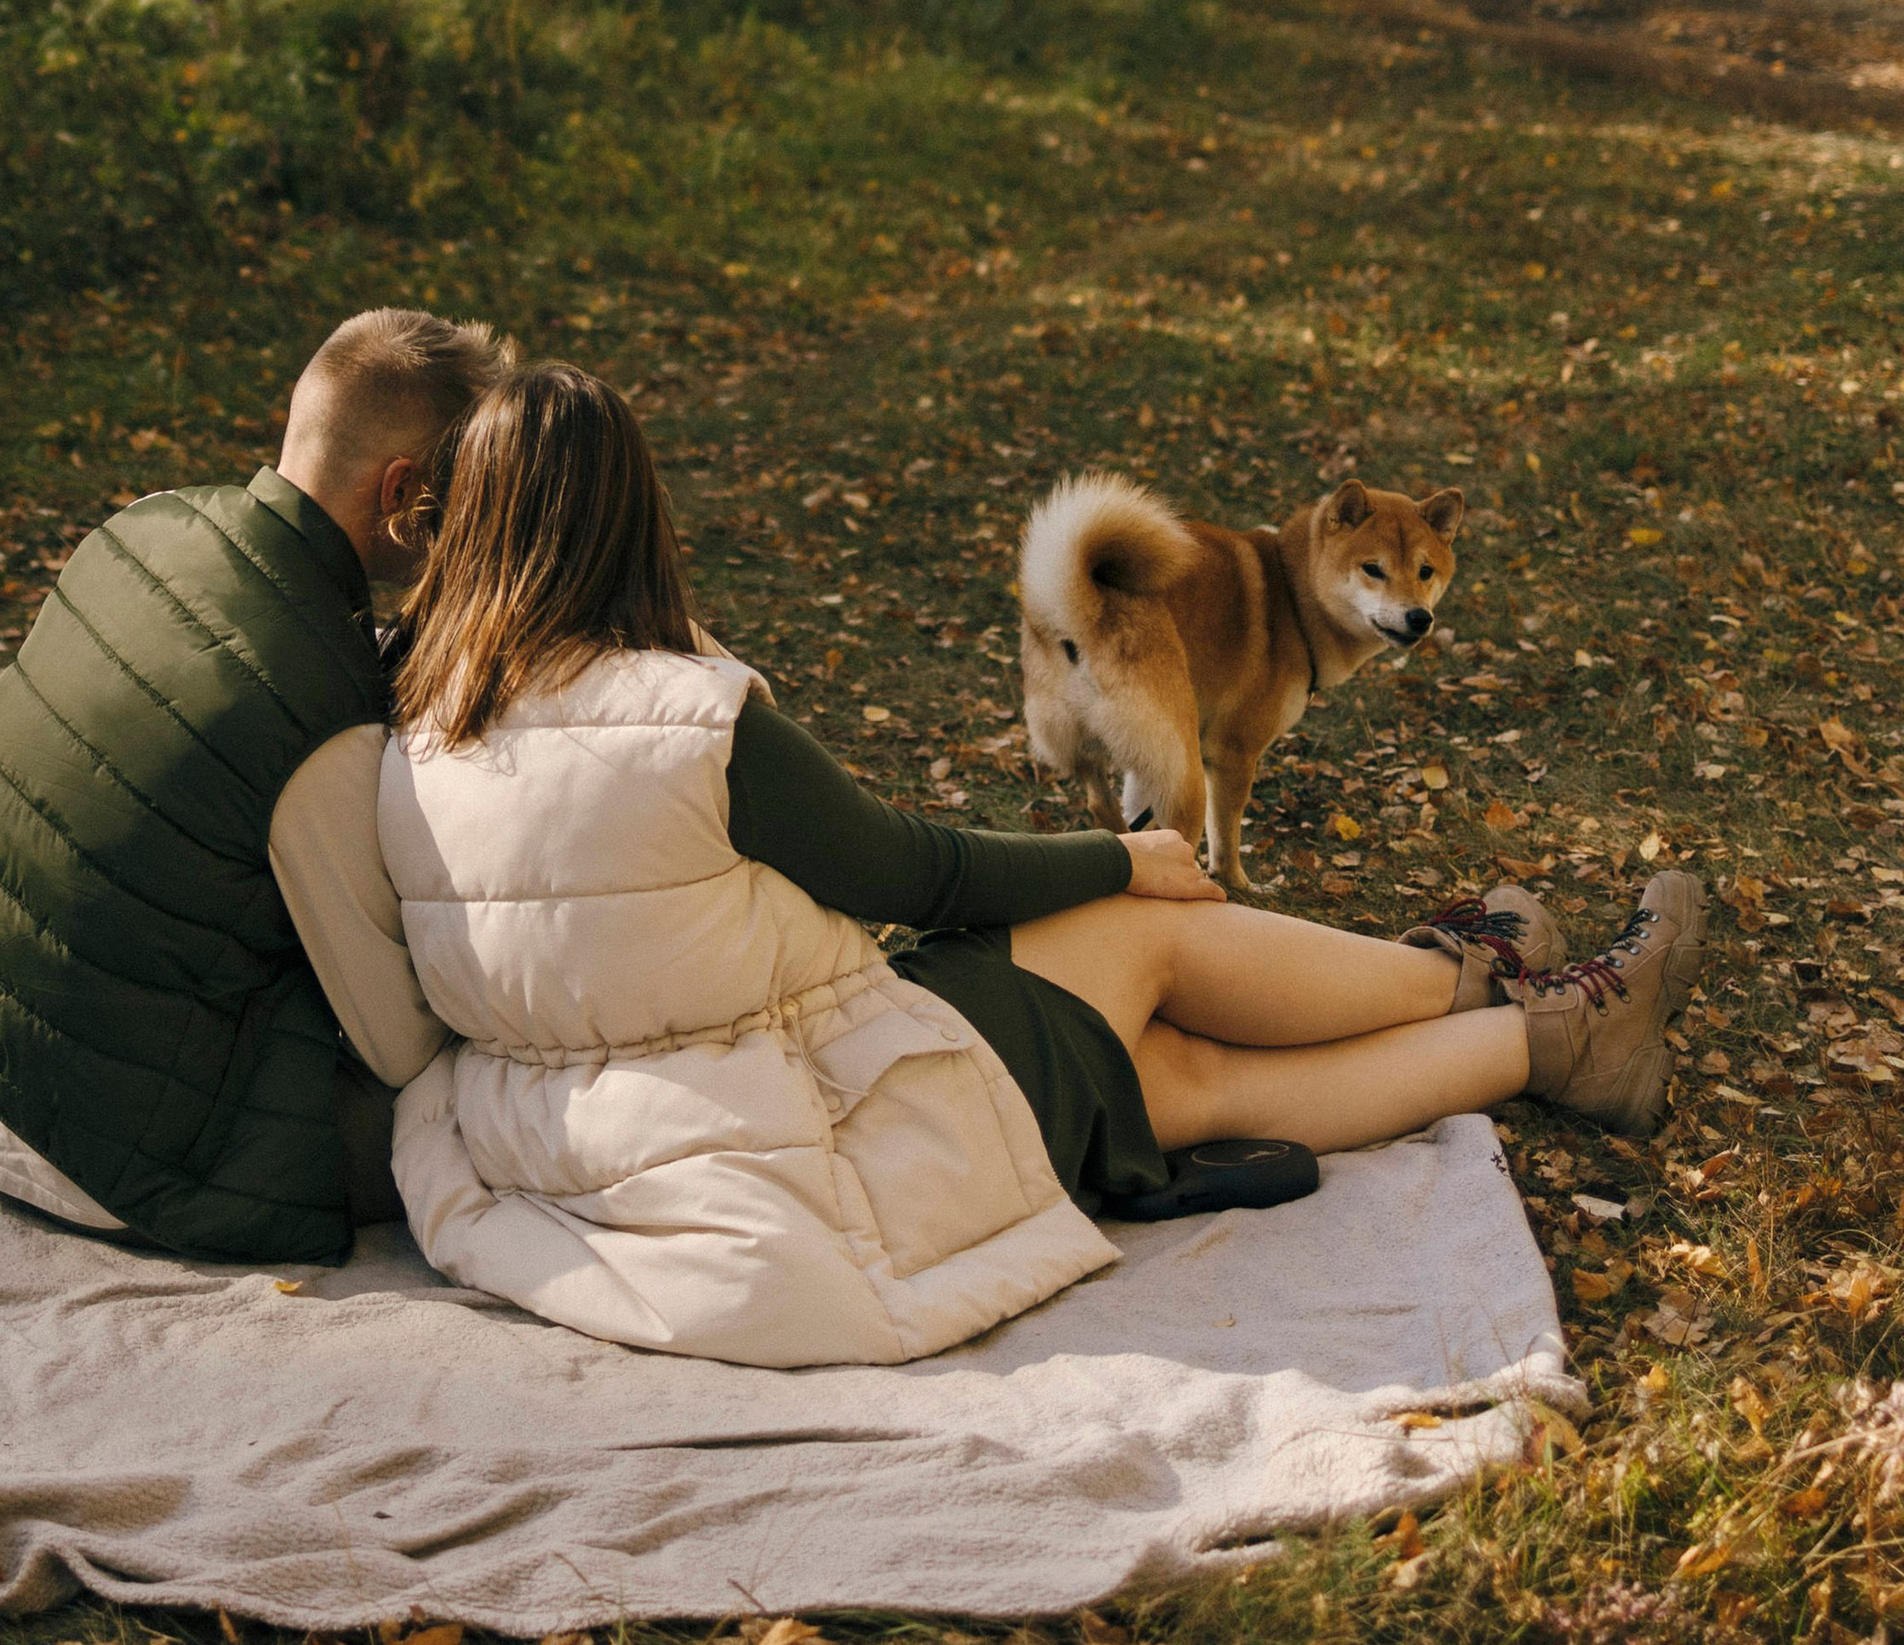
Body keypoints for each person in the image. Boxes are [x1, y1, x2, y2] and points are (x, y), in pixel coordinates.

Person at [367, 364, 1708, 1369]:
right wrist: (1124, 865)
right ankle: (1474, 976)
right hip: (819, 1142)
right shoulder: (688, 719)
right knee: (1153, 934)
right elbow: (917, 872)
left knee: (1179, 1078)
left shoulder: (414, 723)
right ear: (634, 523)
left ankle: (1544, 1041)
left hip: (612, 1162)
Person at [0, 307, 510, 1259]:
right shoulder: (312, 706)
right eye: (460, 498)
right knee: (487, 1113)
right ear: (403, 489)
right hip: (95, 1152)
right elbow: (397, 1042)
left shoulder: (145, 526)